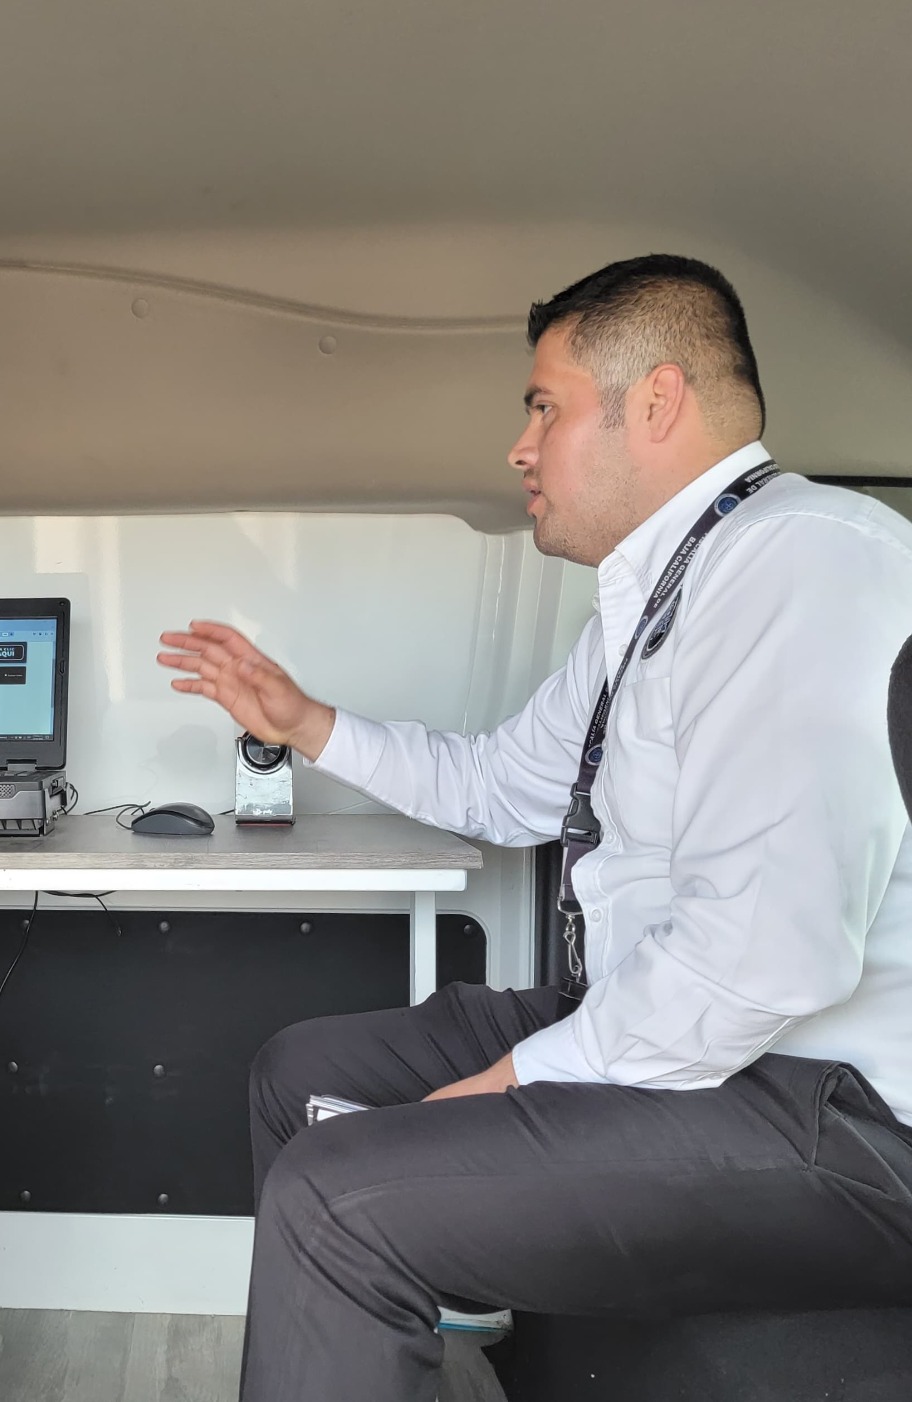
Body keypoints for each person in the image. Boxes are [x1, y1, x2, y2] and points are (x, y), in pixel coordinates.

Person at [158, 254, 912, 1402]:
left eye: (544, 408)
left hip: (831, 1109)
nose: (519, 447)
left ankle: (390, 1261)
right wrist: (304, 723)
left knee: (333, 1198)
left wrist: (518, 1080)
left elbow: (762, 961)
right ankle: (405, 1310)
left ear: (654, 402)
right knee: (297, 1073)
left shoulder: (804, 563)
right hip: (695, 1041)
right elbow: (502, 787)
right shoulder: (650, 603)